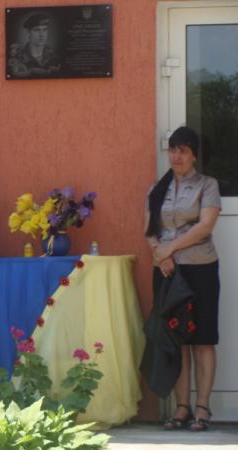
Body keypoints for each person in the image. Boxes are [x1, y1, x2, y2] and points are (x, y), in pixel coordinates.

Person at [144, 126, 221, 432]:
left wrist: (170, 249)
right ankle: (181, 407)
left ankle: (202, 408)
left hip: (200, 269)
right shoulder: (157, 189)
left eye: (183, 151)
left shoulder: (208, 185)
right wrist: (160, 255)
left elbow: (205, 226)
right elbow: (150, 230)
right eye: (173, 150)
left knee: (202, 340)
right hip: (166, 271)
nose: (176, 156)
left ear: (194, 156)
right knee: (176, 341)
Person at [8, 13, 61, 77]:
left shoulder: (54, 56)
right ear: (28, 32)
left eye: (45, 30)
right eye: (37, 30)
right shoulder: (18, 57)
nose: (42, 35)